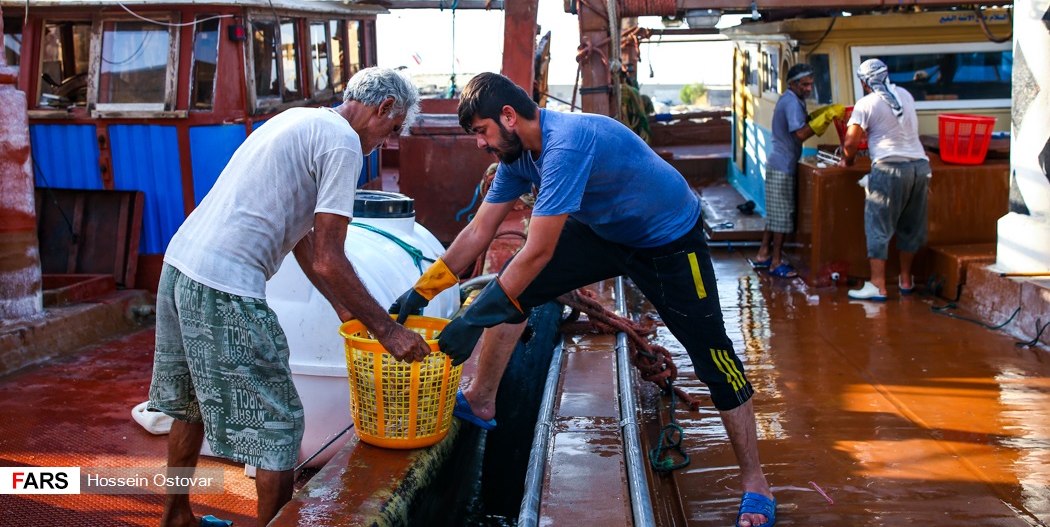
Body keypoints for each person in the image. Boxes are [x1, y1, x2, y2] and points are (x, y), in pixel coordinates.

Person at [392, 71, 776, 527]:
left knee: (713, 354)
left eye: (481, 132)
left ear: (509, 117)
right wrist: (422, 290)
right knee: (521, 291)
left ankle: (756, 483)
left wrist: (471, 320)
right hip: (605, 231)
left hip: (669, 239)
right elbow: (479, 230)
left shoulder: (566, 145)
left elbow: (538, 250)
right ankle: (481, 399)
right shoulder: (518, 158)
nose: (480, 144)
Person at [148, 67, 432, 527]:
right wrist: (388, 330)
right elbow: (329, 257)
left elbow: (301, 238)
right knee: (279, 429)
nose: (387, 141)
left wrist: (343, 308)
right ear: (382, 109)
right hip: (226, 286)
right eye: (393, 129)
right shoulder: (343, 144)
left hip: (179, 266)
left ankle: (176, 517)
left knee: (189, 404)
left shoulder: (296, 119)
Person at [840, 58, 931, 301]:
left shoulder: (866, 103)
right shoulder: (905, 95)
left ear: (864, 82)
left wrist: (846, 161)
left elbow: (850, 143)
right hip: (920, 167)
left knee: (878, 225)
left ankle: (878, 285)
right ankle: (905, 280)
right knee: (911, 225)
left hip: (890, 168)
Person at [754, 64, 843, 278]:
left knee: (776, 214)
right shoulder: (792, 102)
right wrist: (825, 118)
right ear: (792, 84)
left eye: (811, 84)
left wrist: (818, 117)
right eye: (804, 84)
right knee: (783, 216)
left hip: (781, 164)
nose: (809, 88)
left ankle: (763, 254)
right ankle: (776, 262)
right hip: (782, 166)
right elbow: (800, 135)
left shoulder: (792, 99)